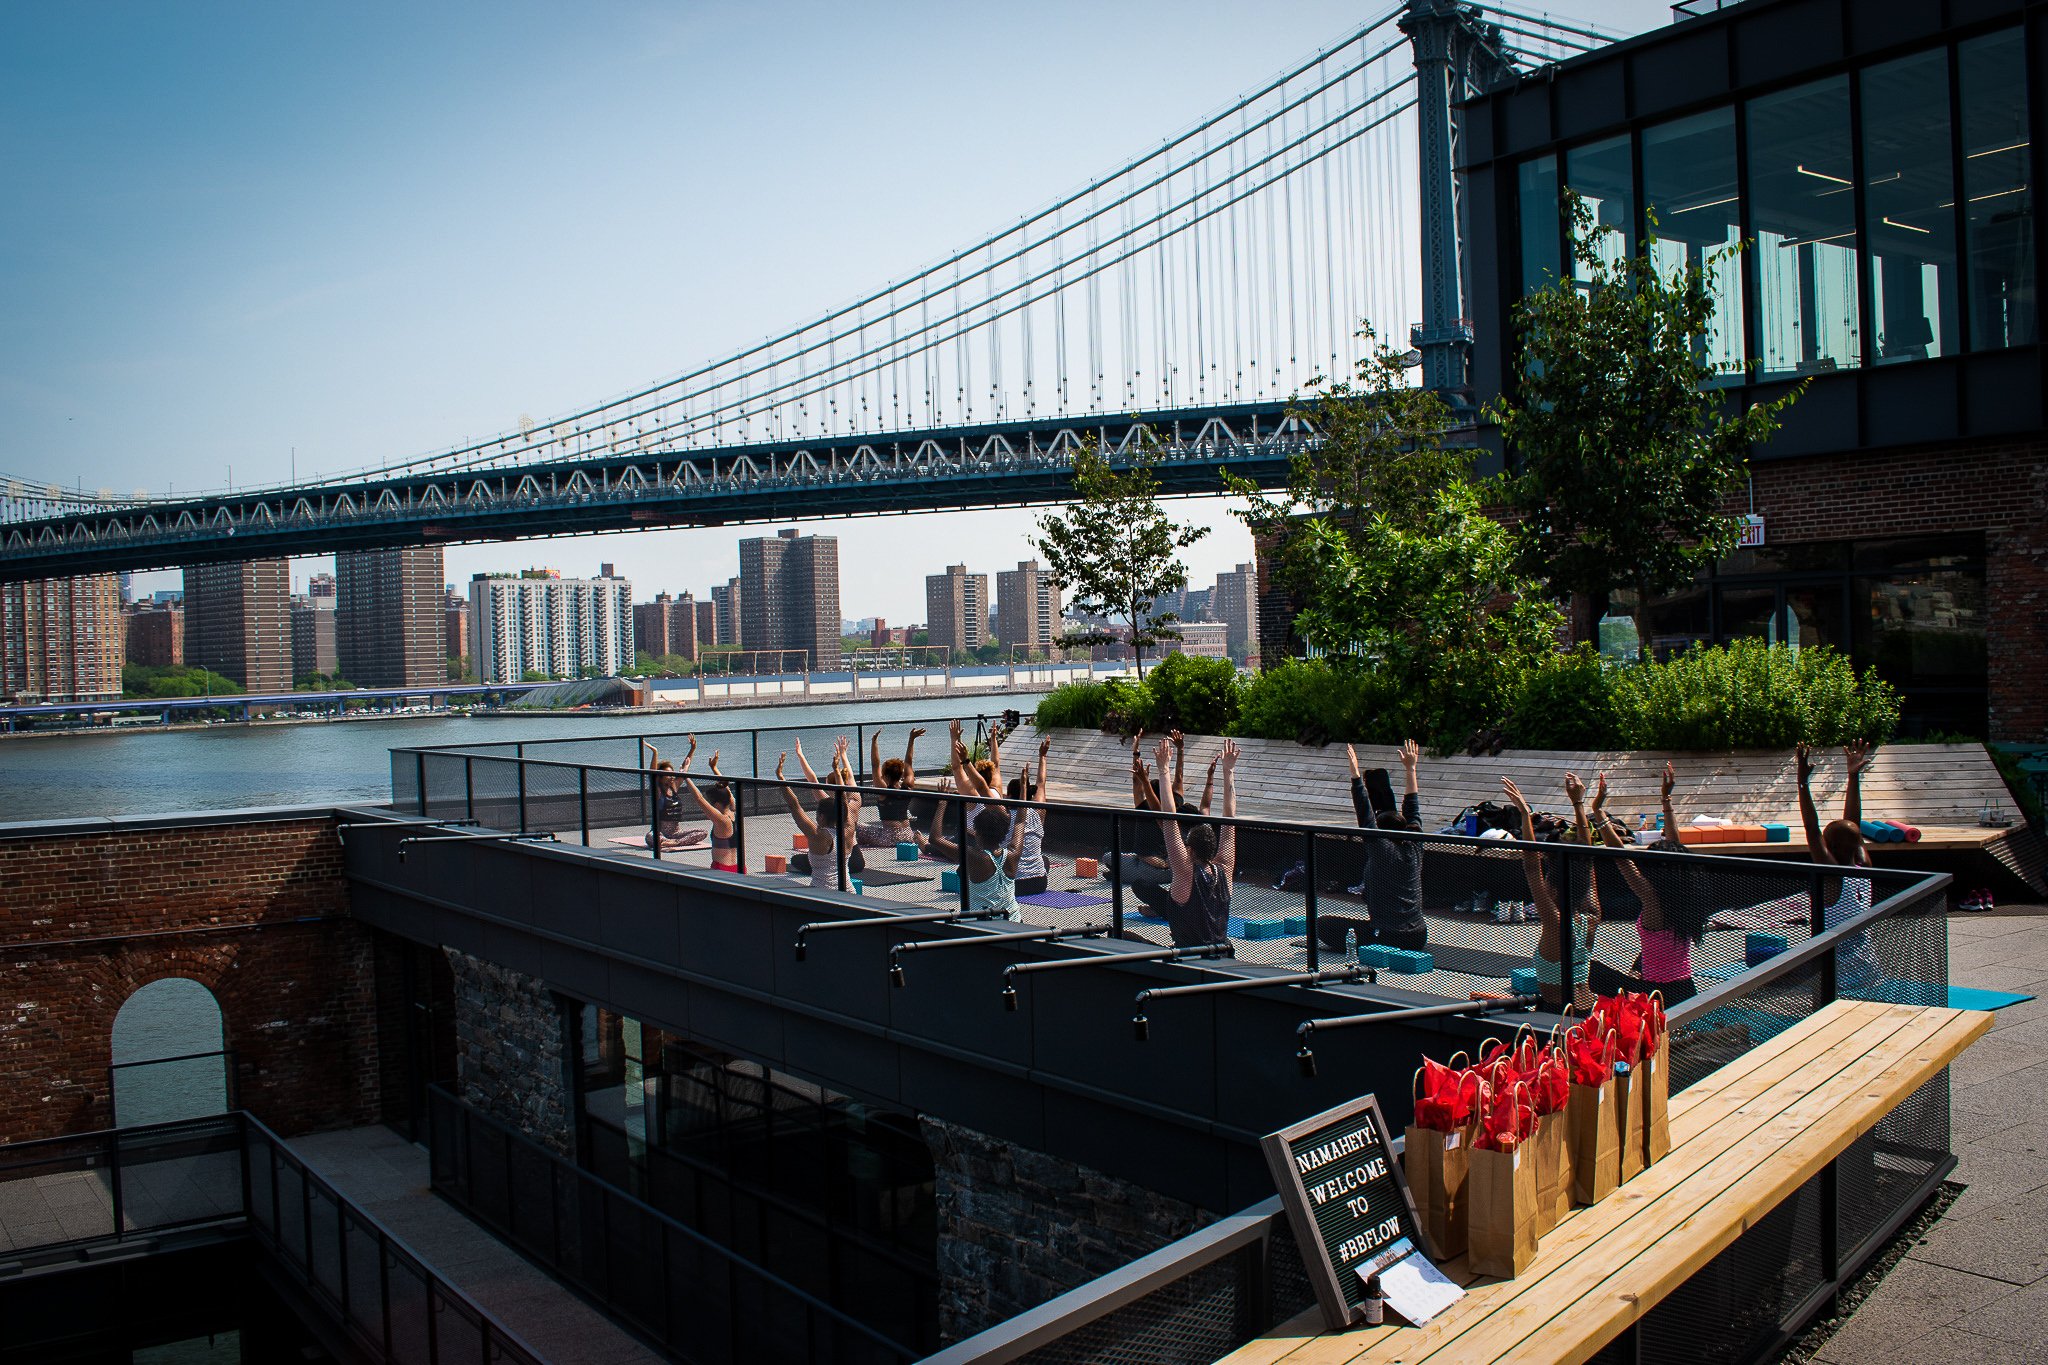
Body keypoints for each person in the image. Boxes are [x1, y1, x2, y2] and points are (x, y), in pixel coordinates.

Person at [1585, 763, 1701, 1005]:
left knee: (1591, 970)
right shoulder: (1687, 893)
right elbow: (1676, 852)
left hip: (1658, 994)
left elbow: (1621, 857)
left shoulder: (1652, 899)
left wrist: (1598, 812)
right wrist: (1666, 799)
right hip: (1687, 990)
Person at [1318, 741, 1429, 955]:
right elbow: (1412, 809)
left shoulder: (1382, 850)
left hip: (1389, 936)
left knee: (1322, 925)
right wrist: (1410, 768)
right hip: (1419, 936)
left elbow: (1365, 816)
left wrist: (1355, 775)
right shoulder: (1415, 846)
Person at [1501, 774, 1594, 1012]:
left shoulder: (1555, 922)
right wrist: (1578, 803)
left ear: (1552, 886)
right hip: (1587, 1010)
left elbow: (1531, 866)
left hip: (1559, 1013)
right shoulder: (1592, 916)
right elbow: (1587, 859)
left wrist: (1524, 815)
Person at [1798, 739, 1880, 989]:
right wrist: (1853, 777)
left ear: (1830, 848)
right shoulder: (1863, 863)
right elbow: (1853, 823)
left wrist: (1802, 783)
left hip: (1836, 974)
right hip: (1868, 966)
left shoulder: (1833, 874)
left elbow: (1811, 829)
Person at [1157, 739, 1239, 952]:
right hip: (1223, 953)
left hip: (1188, 960)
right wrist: (1228, 771)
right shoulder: (1224, 869)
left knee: (1126, 937)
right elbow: (1230, 820)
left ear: (1190, 850)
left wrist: (1164, 770)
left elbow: (1169, 818)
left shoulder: (1185, 872)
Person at [780, 738, 865, 889]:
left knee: (796, 860)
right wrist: (842, 761)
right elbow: (848, 785)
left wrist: (782, 778)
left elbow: (795, 805)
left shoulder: (817, 834)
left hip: (824, 893)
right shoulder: (849, 820)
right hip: (852, 871)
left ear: (821, 816)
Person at [669, 739, 741, 872]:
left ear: (717, 804)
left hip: (722, 870)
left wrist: (685, 776)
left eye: (712, 803)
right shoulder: (733, 810)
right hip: (739, 868)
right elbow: (727, 788)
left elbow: (699, 798)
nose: (711, 806)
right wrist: (714, 768)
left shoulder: (722, 820)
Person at [858, 727, 927, 849]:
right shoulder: (908, 786)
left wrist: (874, 742)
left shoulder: (884, 790)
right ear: (901, 774)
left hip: (889, 837)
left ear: (885, 775)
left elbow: (875, 765)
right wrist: (911, 739)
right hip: (908, 834)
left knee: (858, 826)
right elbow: (909, 763)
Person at [966, 803, 1031, 922]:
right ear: (1004, 833)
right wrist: (1024, 789)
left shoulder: (975, 856)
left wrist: (942, 803)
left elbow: (936, 839)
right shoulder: (1013, 854)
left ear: (977, 833)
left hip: (982, 924)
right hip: (1014, 920)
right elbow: (1020, 822)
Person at [1006, 736, 1054, 897]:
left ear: (1010, 795)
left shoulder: (1003, 817)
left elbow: (984, 788)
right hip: (1039, 882)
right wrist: (1043, 756)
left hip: (1015, 885)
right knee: (1044, 859)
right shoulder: (1039, 812)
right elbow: (1041, 783)